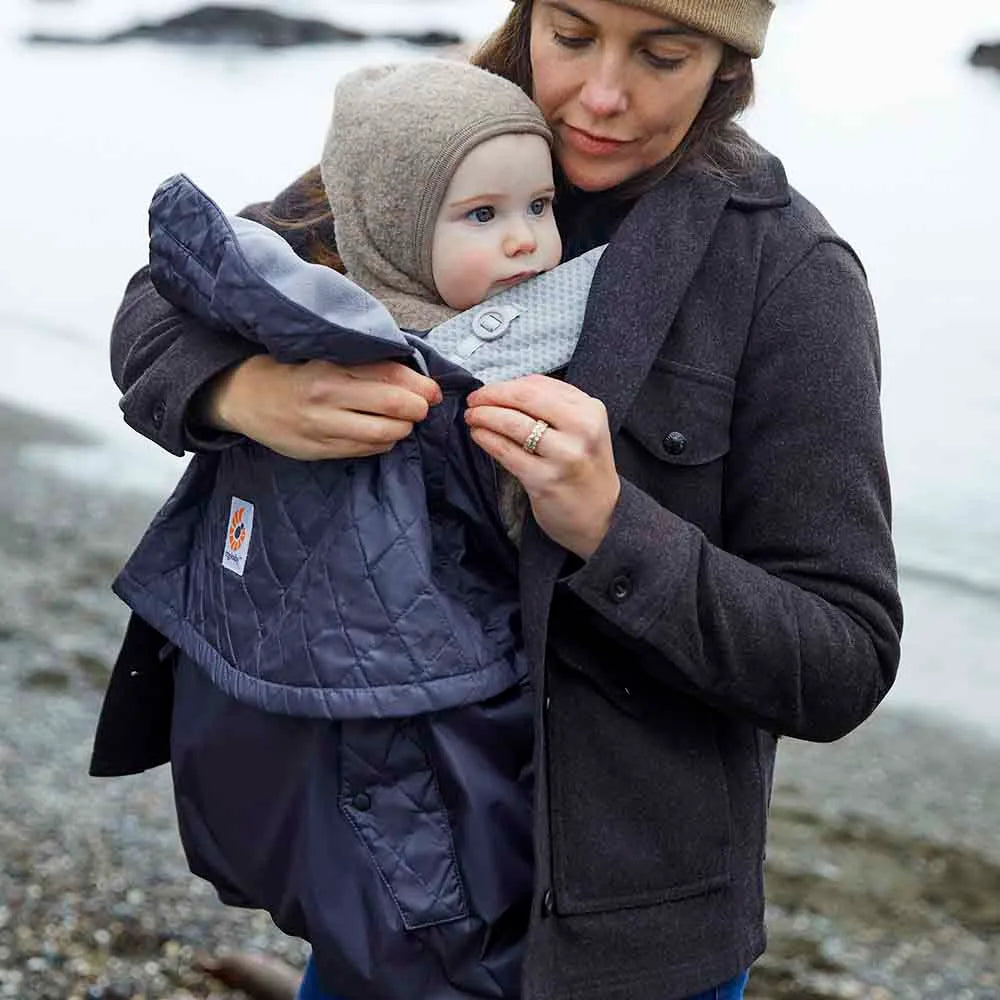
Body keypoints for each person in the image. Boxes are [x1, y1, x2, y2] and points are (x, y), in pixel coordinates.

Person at [96, 2, 904, 999]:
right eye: (569, 34)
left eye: (662, 53)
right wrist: (243, 392)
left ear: (728, 64)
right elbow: (167, 296)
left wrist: (615, 532)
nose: (600, 95)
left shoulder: (789, 276)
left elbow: (843, 655)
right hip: (378, 876)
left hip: (632, 940)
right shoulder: (435, 142)